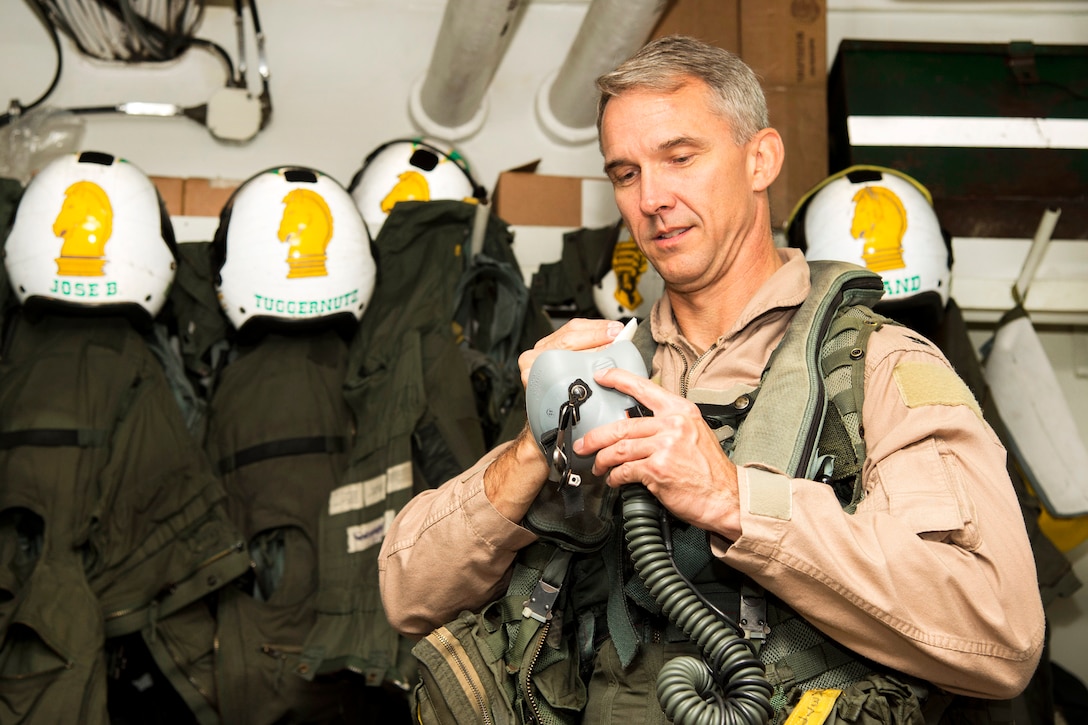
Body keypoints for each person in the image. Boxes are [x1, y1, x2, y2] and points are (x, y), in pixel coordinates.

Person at [379, 35, 1045, 723]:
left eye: (680, 157)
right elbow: (406, 596)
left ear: (761, 159)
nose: (652, 199)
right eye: (625, 173)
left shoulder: (877, 366)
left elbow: (1002, 636)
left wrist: (735, 501)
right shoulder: (600, 369)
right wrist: (528, 450)